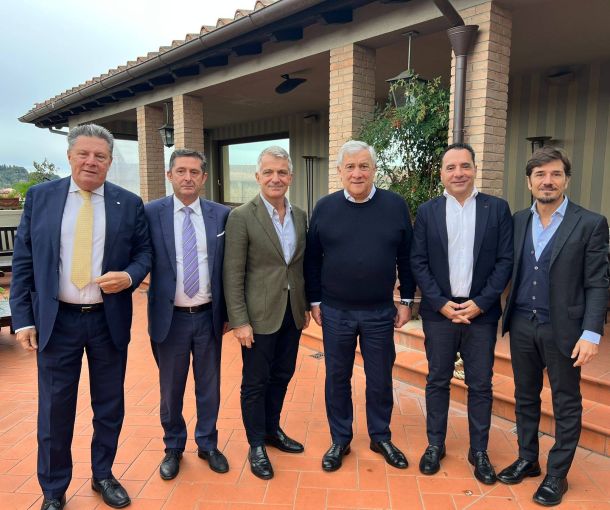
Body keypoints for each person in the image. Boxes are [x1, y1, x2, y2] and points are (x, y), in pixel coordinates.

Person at [9, 124, 152, 510]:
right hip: (57, 322)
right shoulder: (41, 198)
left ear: (109, 161)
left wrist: (130, 276)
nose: (91, 161)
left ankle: (102, 474)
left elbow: (144, 253)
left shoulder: (128, 203)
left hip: (108, 320)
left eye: (100, 156)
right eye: (84, 154)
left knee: (109, 405)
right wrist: (23, 319)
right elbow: (23, 262)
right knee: (55, 410)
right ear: (70, 156)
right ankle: (53, 490)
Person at [498, 147, 608, 506]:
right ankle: (528, 459)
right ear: (529, 182)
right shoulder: (517, 220)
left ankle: (557, 474)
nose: (548, 181)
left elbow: (598, 282)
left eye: (556, 174)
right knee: (525, 396)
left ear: (566, 180)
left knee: (566, 402)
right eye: (540, 175)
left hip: (565, 329)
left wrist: (591, 333)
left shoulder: (590, 223)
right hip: (522, 324)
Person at [305, 140, 415, 472]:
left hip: (380, 311)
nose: (357, 173)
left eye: (364, 166)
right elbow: (312, 258)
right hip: (335, 311)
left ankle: (380, 436)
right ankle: (340, 438)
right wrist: (314, 300)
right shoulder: (325, 208)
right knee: (337, 377)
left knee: (380, 378)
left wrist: (406, 300)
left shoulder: (395, 206)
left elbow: (407, 257)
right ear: (340, 171)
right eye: (350, 167)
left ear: (374, 170)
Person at [410, 142, 513, 485]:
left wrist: (481, 302)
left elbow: (505, 261)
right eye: (451, 167)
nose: (458, 173)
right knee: (437, 379)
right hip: (439, 312)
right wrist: (439, 302)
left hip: (480, 313)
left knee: (480, 384)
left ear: (475, 169)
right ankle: (435, 444)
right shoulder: (428, 211)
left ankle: (478, 451)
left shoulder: (496, 209)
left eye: (465, 166)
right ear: (441, 173)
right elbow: (418, 261)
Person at [223, 146, 309, 480]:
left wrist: (304, 305)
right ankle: (256, 443)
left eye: (282, 172)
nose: (276, 178)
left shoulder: (300, 215)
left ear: (290, 177)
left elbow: (298, 266)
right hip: (257, 318)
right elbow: (233, 274)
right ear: (258, 176)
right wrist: (240, 321)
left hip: (291, 313)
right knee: (255, 382)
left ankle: (272, 430)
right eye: (269, 172)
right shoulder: (242, 216)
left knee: (282, 375)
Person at [145, 149, 231, 480]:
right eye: (181, 171)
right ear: (169, 175)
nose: (188, 177)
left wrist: (230, 313)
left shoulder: (221, 215)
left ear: (204, 178)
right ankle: (173, 446)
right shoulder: (151, 213)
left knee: (209, 386)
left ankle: (207, 443)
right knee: (171, 388)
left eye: (195, 172)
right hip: (170, 319)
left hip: (209, 316)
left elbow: (229, 266)